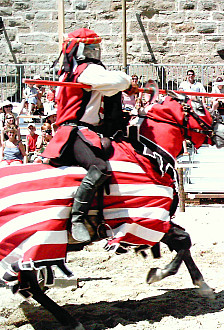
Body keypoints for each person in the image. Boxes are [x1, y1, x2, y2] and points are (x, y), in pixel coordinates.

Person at [41, 28, 133, 242]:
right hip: (74, 132)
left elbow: (110, 87)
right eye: (91, 48)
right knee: (99, 168)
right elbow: (115, 83)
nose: (95, 52)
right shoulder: (86, 70)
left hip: (83, 130)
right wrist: (128, 84)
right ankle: (77, 219)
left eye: (96, 48)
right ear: (80, 50)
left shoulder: (73, 70)